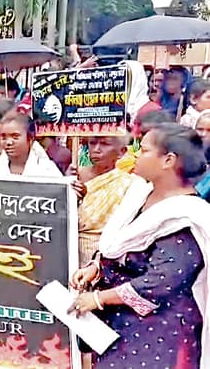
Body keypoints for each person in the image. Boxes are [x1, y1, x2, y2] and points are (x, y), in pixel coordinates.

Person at [69, 123, 210, 369]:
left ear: (168, 160)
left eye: (143, 150)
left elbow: (163, 280)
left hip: (159, 336)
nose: (135, 156)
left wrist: (99, 299)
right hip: (117, 328)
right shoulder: (139, 195)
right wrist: (96, 267)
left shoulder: (186, 216)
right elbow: (120, 244)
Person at [73, 136, 135, 264]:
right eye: (92, 143)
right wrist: (66, 186)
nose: (96, 149)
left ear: (122, 152)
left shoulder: (127, 183)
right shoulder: (75, 175)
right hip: (69, 249)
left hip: (103, 256)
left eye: (105, 144)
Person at [0, 113, 62, 177]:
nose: (8, 142)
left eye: (15, 136)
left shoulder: (48, 170)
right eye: (3, 137)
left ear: (30, 138)